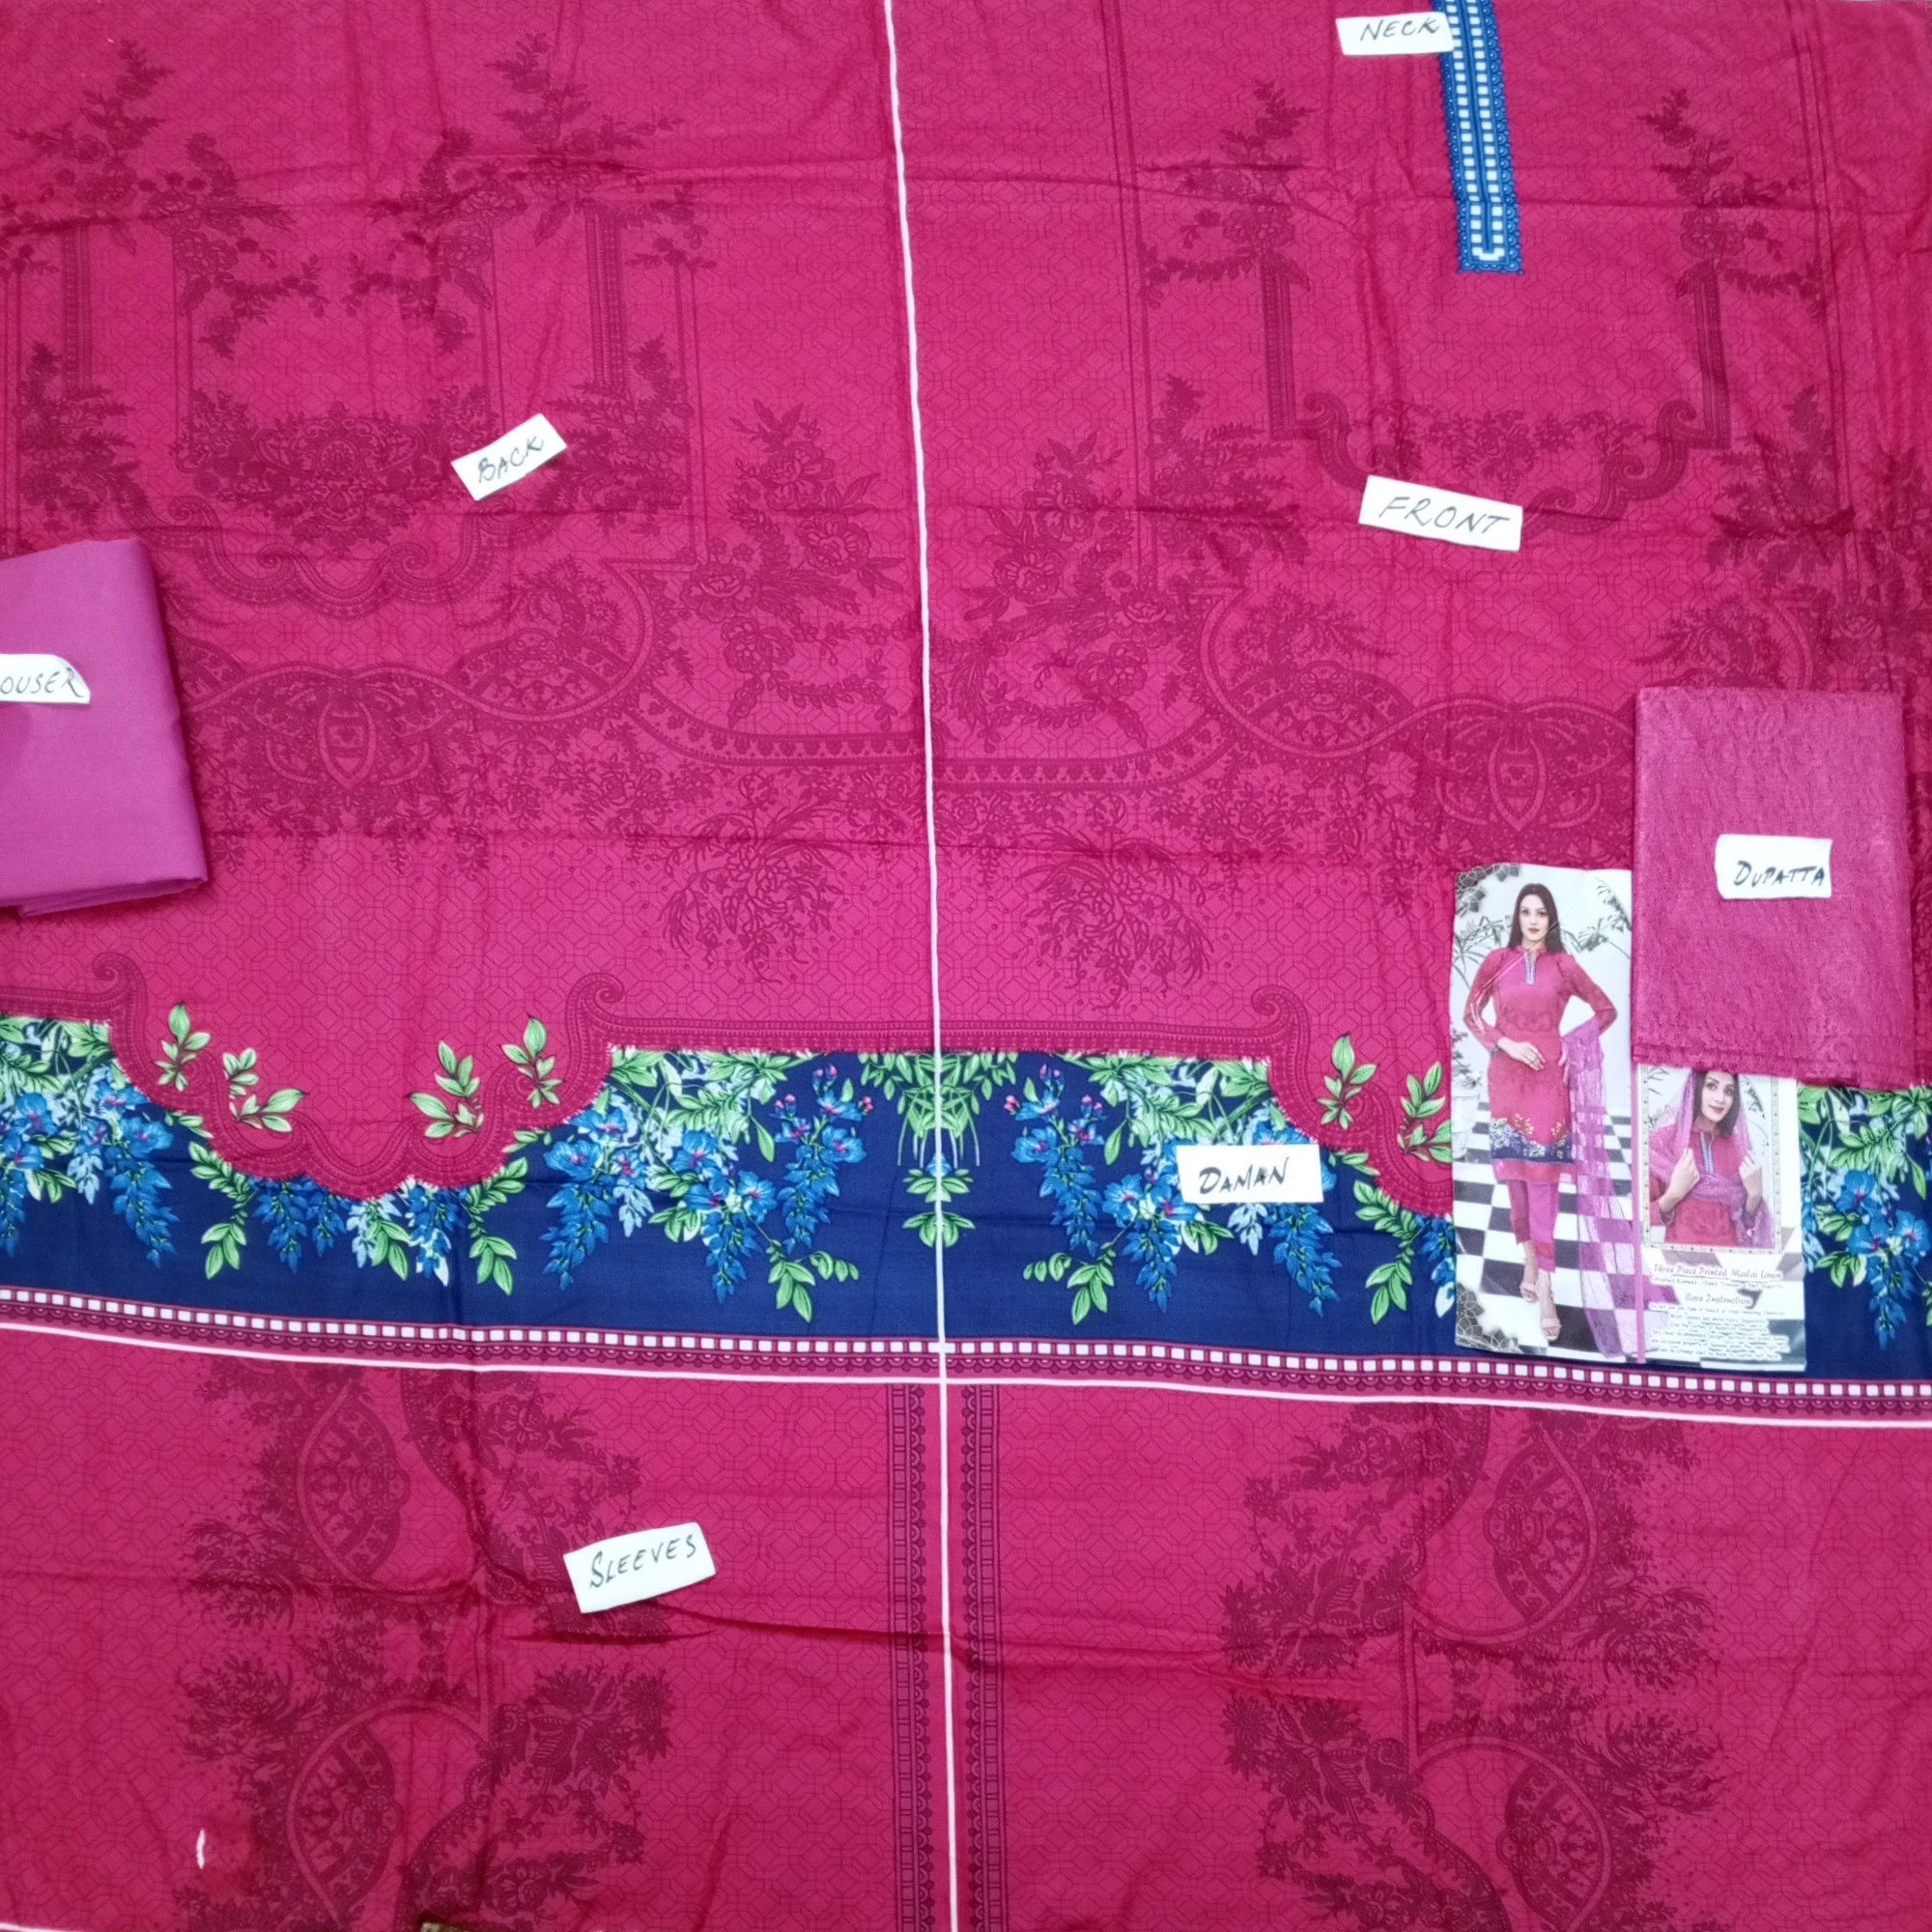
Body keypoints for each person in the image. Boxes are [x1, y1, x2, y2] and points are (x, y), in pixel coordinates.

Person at [1463, 883, 1620, 1343]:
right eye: (1526, 912)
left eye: (1541, 913)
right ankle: (1529, 1258)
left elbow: (1606, 1010)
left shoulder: (1564, 965)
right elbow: (1471, 1013)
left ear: (1551, 919)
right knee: (1516, 1175)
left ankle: (1546, 1285)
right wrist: (1504, 1043)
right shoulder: (1498, 961)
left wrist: (1572, 1042)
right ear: (1517, 917)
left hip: (1549, 1082)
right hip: (1506, 1080)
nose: (1533, 920)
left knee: (1543, 1180)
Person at [1647, 1068, 1770, 1249]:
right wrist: (1673, 1195)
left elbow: (1745, 1223)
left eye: (1729, 1091)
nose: (1721, 1099)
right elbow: (1642, 1216)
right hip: (1680, 1261)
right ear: (1695, 1088)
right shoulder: (1664, 1142)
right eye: (1712, 1086)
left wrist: (1754, 1197)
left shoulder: (1737, 1147)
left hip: (1728, 1259)